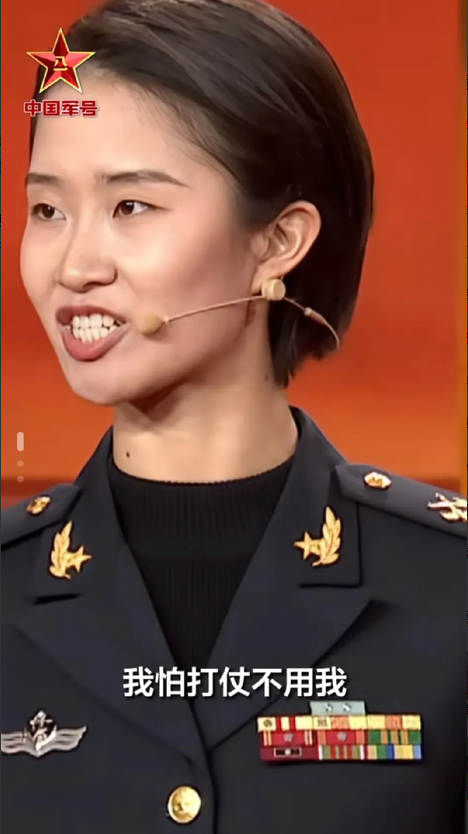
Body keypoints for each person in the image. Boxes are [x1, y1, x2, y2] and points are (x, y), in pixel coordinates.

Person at [1, 0, 465, 832]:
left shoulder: (448, 586)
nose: (73, 266)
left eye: (131, 206)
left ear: (278, 241)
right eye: (47, 210)